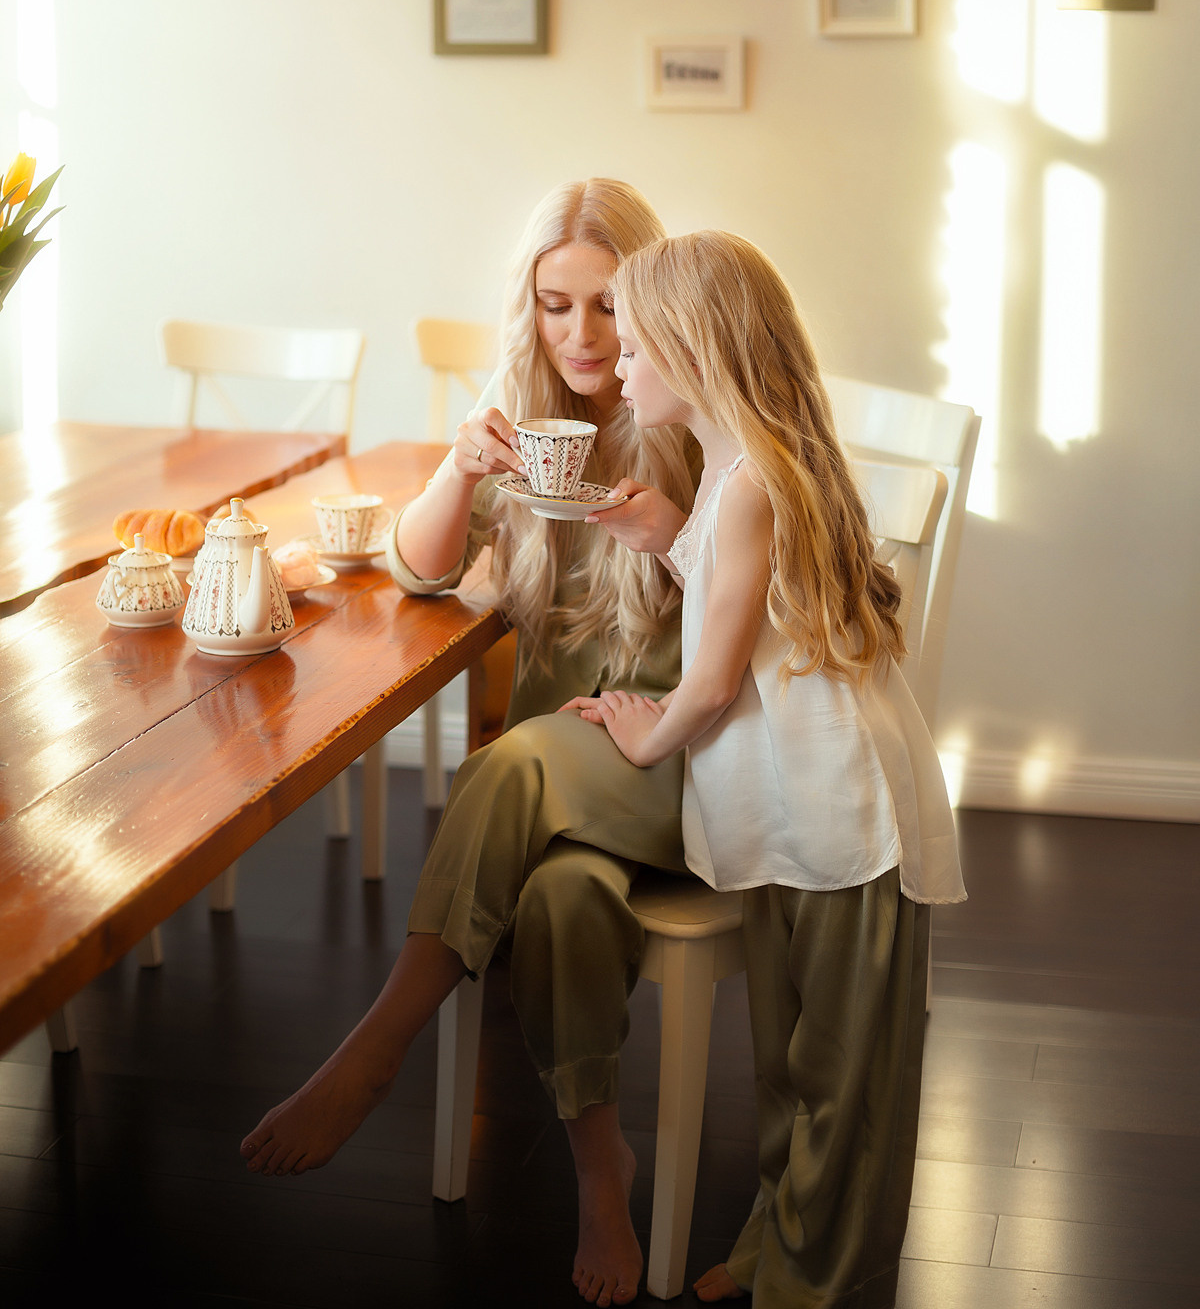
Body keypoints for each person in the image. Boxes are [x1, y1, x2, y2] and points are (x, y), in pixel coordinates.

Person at [241, 179, 700, 1308]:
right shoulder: (530, 412)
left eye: (607, 307)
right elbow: (419, 568)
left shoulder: (690, 407)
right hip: (560, 797)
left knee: (512, 758)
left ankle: (379, 1044)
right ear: (530, 309)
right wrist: (459, 465)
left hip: (680, 766)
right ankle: (604, 1172)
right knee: (558, 900)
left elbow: (774, 598)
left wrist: (670, 532)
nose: (583, 337)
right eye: (557, 306)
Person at [568, 230, 966, 1307]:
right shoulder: (744, 473)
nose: (622, 366)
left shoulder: (749, 485)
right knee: (795, 1066)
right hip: (801, 813)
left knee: (843, 1082)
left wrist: (639, 730)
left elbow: (707, 684)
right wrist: (665, 530)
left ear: (696, 356)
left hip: (844, 821)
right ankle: (779, 1242)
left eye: (639, 347)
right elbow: (742, 584)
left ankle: (818, 1278)